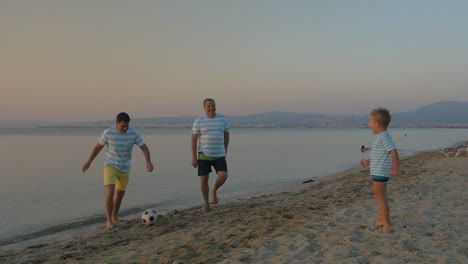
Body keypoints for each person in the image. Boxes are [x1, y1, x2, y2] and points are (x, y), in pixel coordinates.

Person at [82, 112, 154, 230]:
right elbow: (98, 147)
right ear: (116, 124)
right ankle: (109, 221)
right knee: (110, 192)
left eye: (127, 126)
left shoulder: (134, 133)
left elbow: (144, 147)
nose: (125, 128)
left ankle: (114, 218)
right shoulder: (108, 132)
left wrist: (148, 162)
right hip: (110, 165)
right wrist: (89, 162)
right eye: (122, 126)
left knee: (120, 195)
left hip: (125, 167)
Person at [360, 108, 400, 233]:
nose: (368, 125)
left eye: (370, 122)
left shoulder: (384, 137)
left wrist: (395, 169)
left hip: (380, 172)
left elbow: (394, 151)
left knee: (380, 198)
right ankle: (380, 221)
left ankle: (387, 223)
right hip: (378, 171)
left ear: (377, 124)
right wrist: (368, 162)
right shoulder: (382, 137)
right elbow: (380, 155)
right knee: (379, 197)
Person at [191, 98, 230, 211]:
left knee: (223, 176)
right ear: (204, 108)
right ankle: (206, 203)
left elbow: (226, 135)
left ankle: (214, 190)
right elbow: (193, 139)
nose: (212, 107)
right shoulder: (199, 120)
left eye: (213, 105)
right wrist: (194, 157)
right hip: (204, 154)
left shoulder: (222, 119)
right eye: (209, 106)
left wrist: (225, 150)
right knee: (204, 179)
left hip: (219, 154)